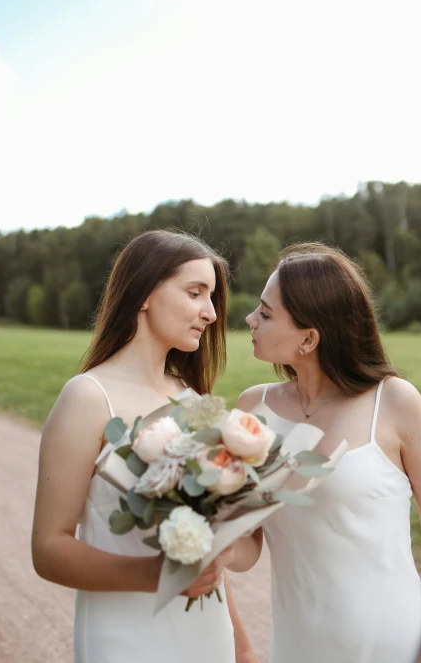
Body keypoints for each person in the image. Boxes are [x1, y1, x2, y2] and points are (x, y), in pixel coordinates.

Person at [32, 230, 257, 663]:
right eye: (195, 293)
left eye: (211, 298)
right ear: (144, 294)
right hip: (126, 637)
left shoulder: (194, 402)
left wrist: (242, 646)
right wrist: (159, 575)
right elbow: (49, 549)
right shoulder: (88, 397)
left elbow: (210, 544)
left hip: (208, 634)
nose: (210, 313)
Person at [236, 242, 421, 663]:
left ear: (309, 338)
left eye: (266, 313)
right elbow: (245, 546)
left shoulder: (396, 402)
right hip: (296, 645)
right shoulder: (252, 411)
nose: (250, 319)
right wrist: (194, 528)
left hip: (394, 643)